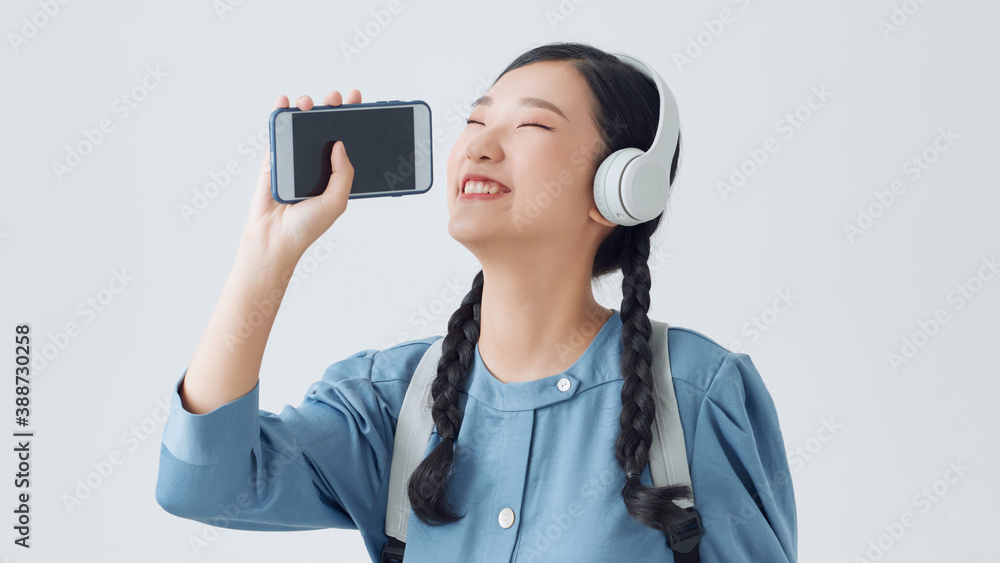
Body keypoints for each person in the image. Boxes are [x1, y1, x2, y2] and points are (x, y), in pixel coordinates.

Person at [155, 41, 797, 562]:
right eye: (475, 120)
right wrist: (266, 255)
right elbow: (200, 485)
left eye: (532, 124)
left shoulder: (695, 394)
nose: (480, 146)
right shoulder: (390, 401)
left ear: (621, 186)